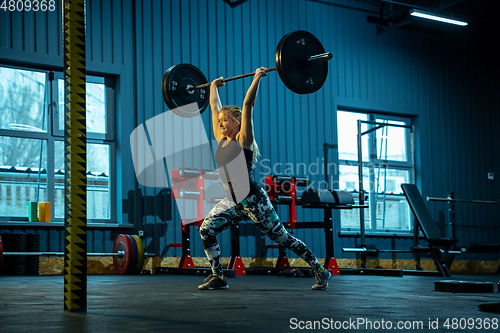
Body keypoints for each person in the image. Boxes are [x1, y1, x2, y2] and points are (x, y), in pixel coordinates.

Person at [197, 67, 331, 290]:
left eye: (225, 120)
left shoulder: (243, 140)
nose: (220, 123)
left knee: (283, 239)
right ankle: (218, 277)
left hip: (254, 200)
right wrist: (212, 87)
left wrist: (257, 78)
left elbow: (248, 106)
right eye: (219, 121)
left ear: (237, 123)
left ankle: (320, 271)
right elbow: (214, 107)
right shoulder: (220, 139)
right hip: (232, 200)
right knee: (206, 229)